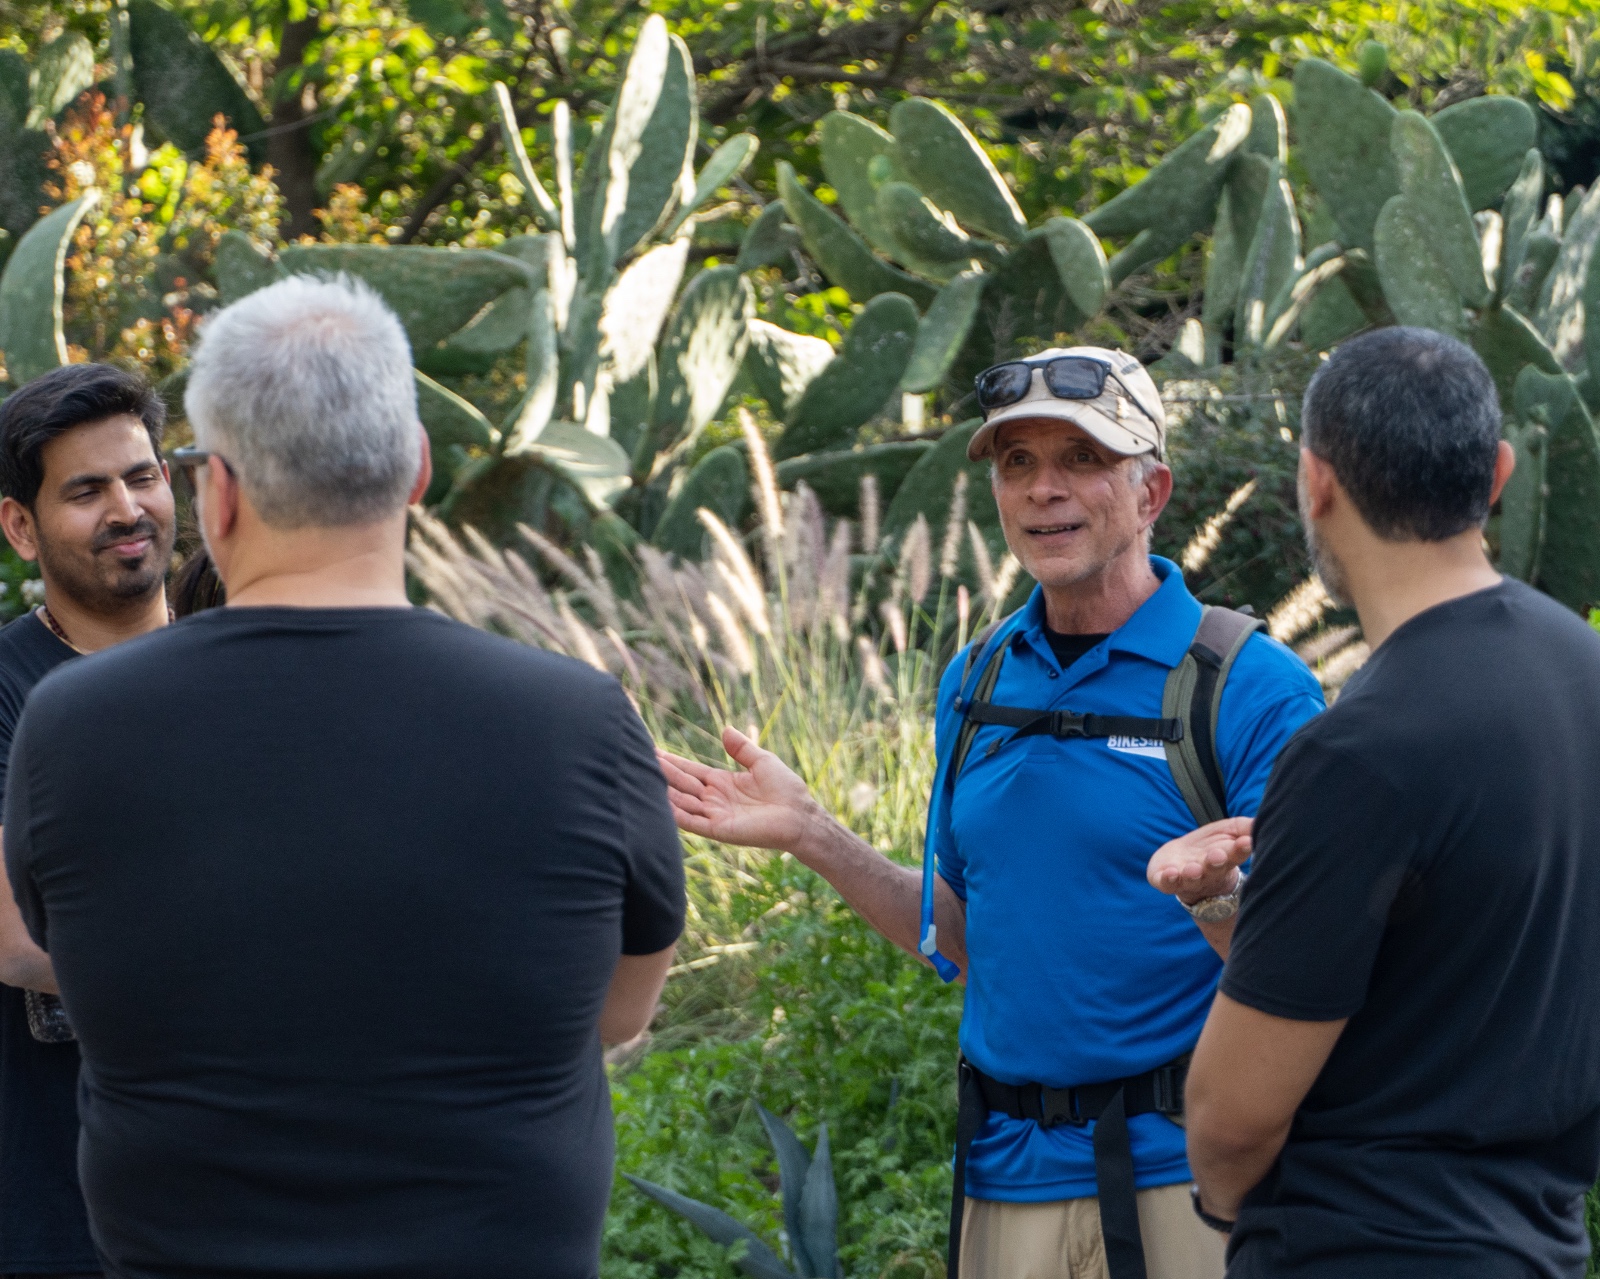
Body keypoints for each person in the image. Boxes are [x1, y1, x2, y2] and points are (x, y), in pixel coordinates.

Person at [1, 275, 685, 1279]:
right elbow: (616, 1013)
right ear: (415, 469)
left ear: (214, 492)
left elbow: (82, 963)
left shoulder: (70, 722)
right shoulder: (583, 720)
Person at [658, 345, 1324, 1279]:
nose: (1044, 490)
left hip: (1193, 1190)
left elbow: (1313, 974)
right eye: (1019, 463)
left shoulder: (1249, 690)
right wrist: (811, 831)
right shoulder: (975, 682)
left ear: (1153, 492)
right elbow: (960, 935)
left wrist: (1216, 899)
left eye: (1083, 459)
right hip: (1004, 1186)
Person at [1183, 327, 1600, 1277]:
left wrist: (1223, 1199)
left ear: (1316, 481)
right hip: (1540, 1248)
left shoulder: (1358, 754)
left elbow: (1231, 1118)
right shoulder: (1587, 671)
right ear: (1496, 473)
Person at [0, 362, 178, 1279]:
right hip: (58, 1195)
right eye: (86, 490)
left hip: (239, 1186)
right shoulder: (5, 689)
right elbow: (16, 936)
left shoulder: (240, 659)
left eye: (142, 475)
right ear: (20, 527)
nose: (127, 508)